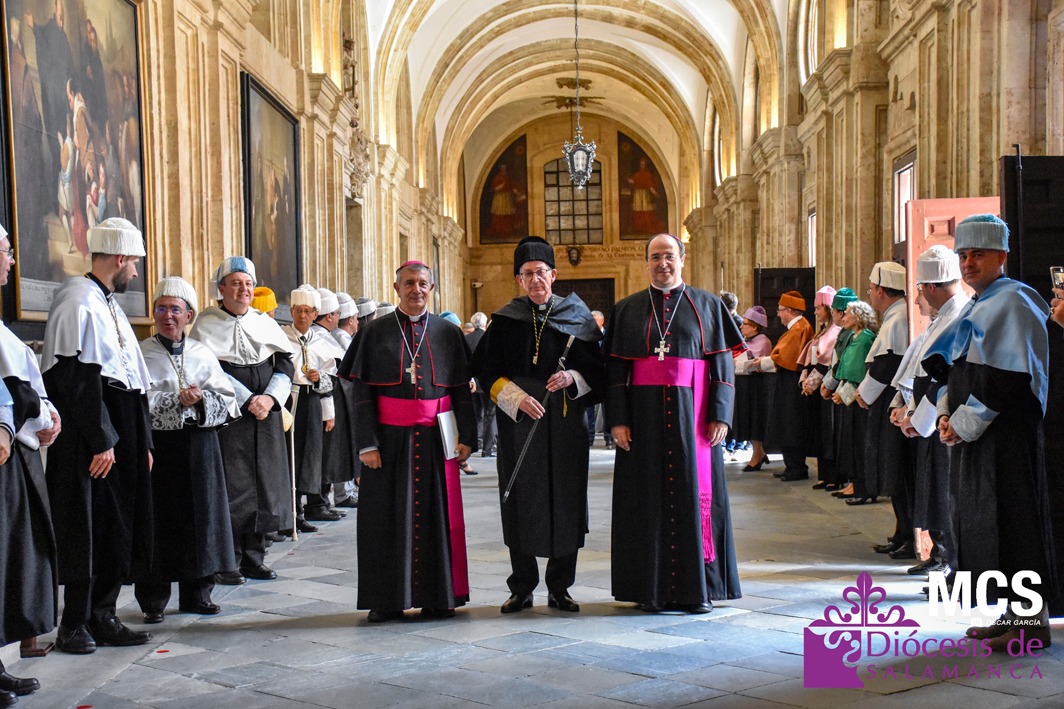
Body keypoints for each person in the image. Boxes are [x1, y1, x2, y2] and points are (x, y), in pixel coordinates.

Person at [923, 214, 1056, 650]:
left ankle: (1031, 622)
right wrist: (946, 414)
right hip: (977, 437)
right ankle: (1011, 614)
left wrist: (963, 424)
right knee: (987, 524)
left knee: (1016, 523)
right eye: (963, 255)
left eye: (978, 254)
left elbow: (1009, 378)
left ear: (1002, 256)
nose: (968, 263)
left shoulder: (1015, 300)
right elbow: (952, 368)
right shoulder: (977, 303)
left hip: (1007, 436)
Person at [604, 233, 745, 613]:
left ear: (682, 259)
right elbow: (615, 373)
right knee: (645, 501)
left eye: (669, 256)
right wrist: (617, 421)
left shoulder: (708, 305)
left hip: (693, 420)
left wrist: (720, 415)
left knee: (693, 497)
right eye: (655, 257)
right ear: (646, 262)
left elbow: (723, 367)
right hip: (643, 421)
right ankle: (648, 590)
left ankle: (697, 590)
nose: (662, 263)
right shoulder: (627, 309)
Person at [471, 237, 605, 614]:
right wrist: (515, 397)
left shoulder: (577, 317)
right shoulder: (505, 320)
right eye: (527, 274)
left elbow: (599, 371)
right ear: (518, 279)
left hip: (565, 425)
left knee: (566, 500)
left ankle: (560, 588)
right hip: (519, 426)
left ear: (554, 275)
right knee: (519, 500)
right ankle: (522, 586)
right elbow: (485, 372)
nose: (535, 280)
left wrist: (573, 377)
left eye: (541, 272)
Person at [339, 261, 477, 622]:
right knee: (384, 520)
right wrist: (366, 444)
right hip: (388, 442)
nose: (417, 289)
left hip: (436, 440)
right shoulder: (374, 332)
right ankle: (386, 600)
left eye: (423, 284)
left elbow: (460, 390)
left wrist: (468, 437)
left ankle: (439, 597)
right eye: (410, 283)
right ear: (396, 288)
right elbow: (362, 394)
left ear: (432, 289)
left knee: (438, 517)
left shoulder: (448, 332)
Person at [41, 217, 154, 654]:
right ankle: (74, 623)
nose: (135, 273)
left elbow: (131, 380)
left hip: (119, 431)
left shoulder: (108, 304)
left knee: (116, 528)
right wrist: (102, 438)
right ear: (120, 259)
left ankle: (104, 615)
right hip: (90, 438)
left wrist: (142, 443)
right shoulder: (78, 300)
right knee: (86, 528)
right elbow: (75, 379)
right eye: (134, 264)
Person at [134, 278, 240, 623]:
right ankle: (153, 599)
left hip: (199, 446)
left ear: (188, 315)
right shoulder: (141, 352)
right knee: (159, 520)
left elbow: (227, 399)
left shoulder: (202, 353)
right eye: (161, 309)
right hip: (159, 447)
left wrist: (200, 401)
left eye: (175, 310)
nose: (168, 316)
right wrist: (174, 400)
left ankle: (198, 593)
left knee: (202, 518)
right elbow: (136, 401)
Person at [190, 257, 295, 583]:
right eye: (236, 284)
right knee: (234, 489)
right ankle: (229, 560)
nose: (243, 290)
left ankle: (254, 557)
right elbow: (210, 371)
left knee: (265, 486)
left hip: (265, 417)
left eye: (248, 284)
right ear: (221, 289)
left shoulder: (264, 324)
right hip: (231, 418)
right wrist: (248, 399)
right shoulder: (206, 325)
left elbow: (285, 364)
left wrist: (270, 398)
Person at [0, 224, 58, 699]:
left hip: (16, 452)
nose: (12, 261)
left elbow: (24, 386)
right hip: (5, 452)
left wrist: (46, 412)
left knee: (12, 562)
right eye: (6, 251)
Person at [891, 246, 969, 577]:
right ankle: (941, 557)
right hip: (931, 415)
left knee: (945, 491)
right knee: (936, 489)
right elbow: (921, 370)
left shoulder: (959, 315)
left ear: (932, 286)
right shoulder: (942, 317)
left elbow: (945, 378)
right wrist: (908, 409)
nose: (919, 294)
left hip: (944, 418)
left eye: (921, 287)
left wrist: (920, 419)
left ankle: (949, 561)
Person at [857, 262, 913, 555]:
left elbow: (886, 365)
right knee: (894, 469)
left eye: (871, 289)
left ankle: (909, 533)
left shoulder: (898, 319)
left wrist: (864, 394)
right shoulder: (894, 317)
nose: (869, 294)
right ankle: (901, 531)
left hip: (893, 404)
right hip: (887, 404)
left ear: (881, 291)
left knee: (898, 469)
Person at [755, 291, 814, 481]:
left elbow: (783, 358)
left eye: (780, 310)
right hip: (787, 381)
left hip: (792, 383)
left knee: (791, 424)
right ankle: (791, 465)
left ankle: (796, 467)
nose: (778, 314)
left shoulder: (799, 329)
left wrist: (761, 363)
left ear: (789, 310)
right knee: (786, 423)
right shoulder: (796, 328)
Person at [825, 301, 878, 502]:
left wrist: (844, 392)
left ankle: (864, 489)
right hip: (849, 395)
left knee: (859, 443)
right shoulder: (854, 337)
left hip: (859, 398)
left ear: (858, 316)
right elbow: (845, 368)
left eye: (847, 313)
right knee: (850, 443)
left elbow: (859, 372)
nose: (843, 317)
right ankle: (855, 483)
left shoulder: (865, 339)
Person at [799, 286, 842, 488]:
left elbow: (827, 362)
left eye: (818, 308)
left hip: (827, 388)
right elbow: (810, 359)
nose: (815, 312)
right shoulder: (822, 331)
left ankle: (834, 477)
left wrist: (812, 383)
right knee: (819, 432)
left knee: (829, 432)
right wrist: (805, 380)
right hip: (815, 388)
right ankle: (824, 475)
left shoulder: (835, 332)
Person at [732, 306, 773, 471]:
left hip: (757, 386)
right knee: (748, 419)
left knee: (756, 419)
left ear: (755, 327)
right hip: (745, 385)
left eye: (745, 324)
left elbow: (752, 364)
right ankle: (758, 452)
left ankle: (757, 454)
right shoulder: (744, 340)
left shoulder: (763, 341)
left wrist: (737, 362)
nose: (741, 326)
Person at [465, 312, 497, 458]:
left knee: (476, 414)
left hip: (472, 382)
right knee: (490, 415)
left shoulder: (466, 338)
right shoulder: (489, 338)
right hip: (487, 382)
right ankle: (487, 449)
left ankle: (476, 443)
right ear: (484, 323)